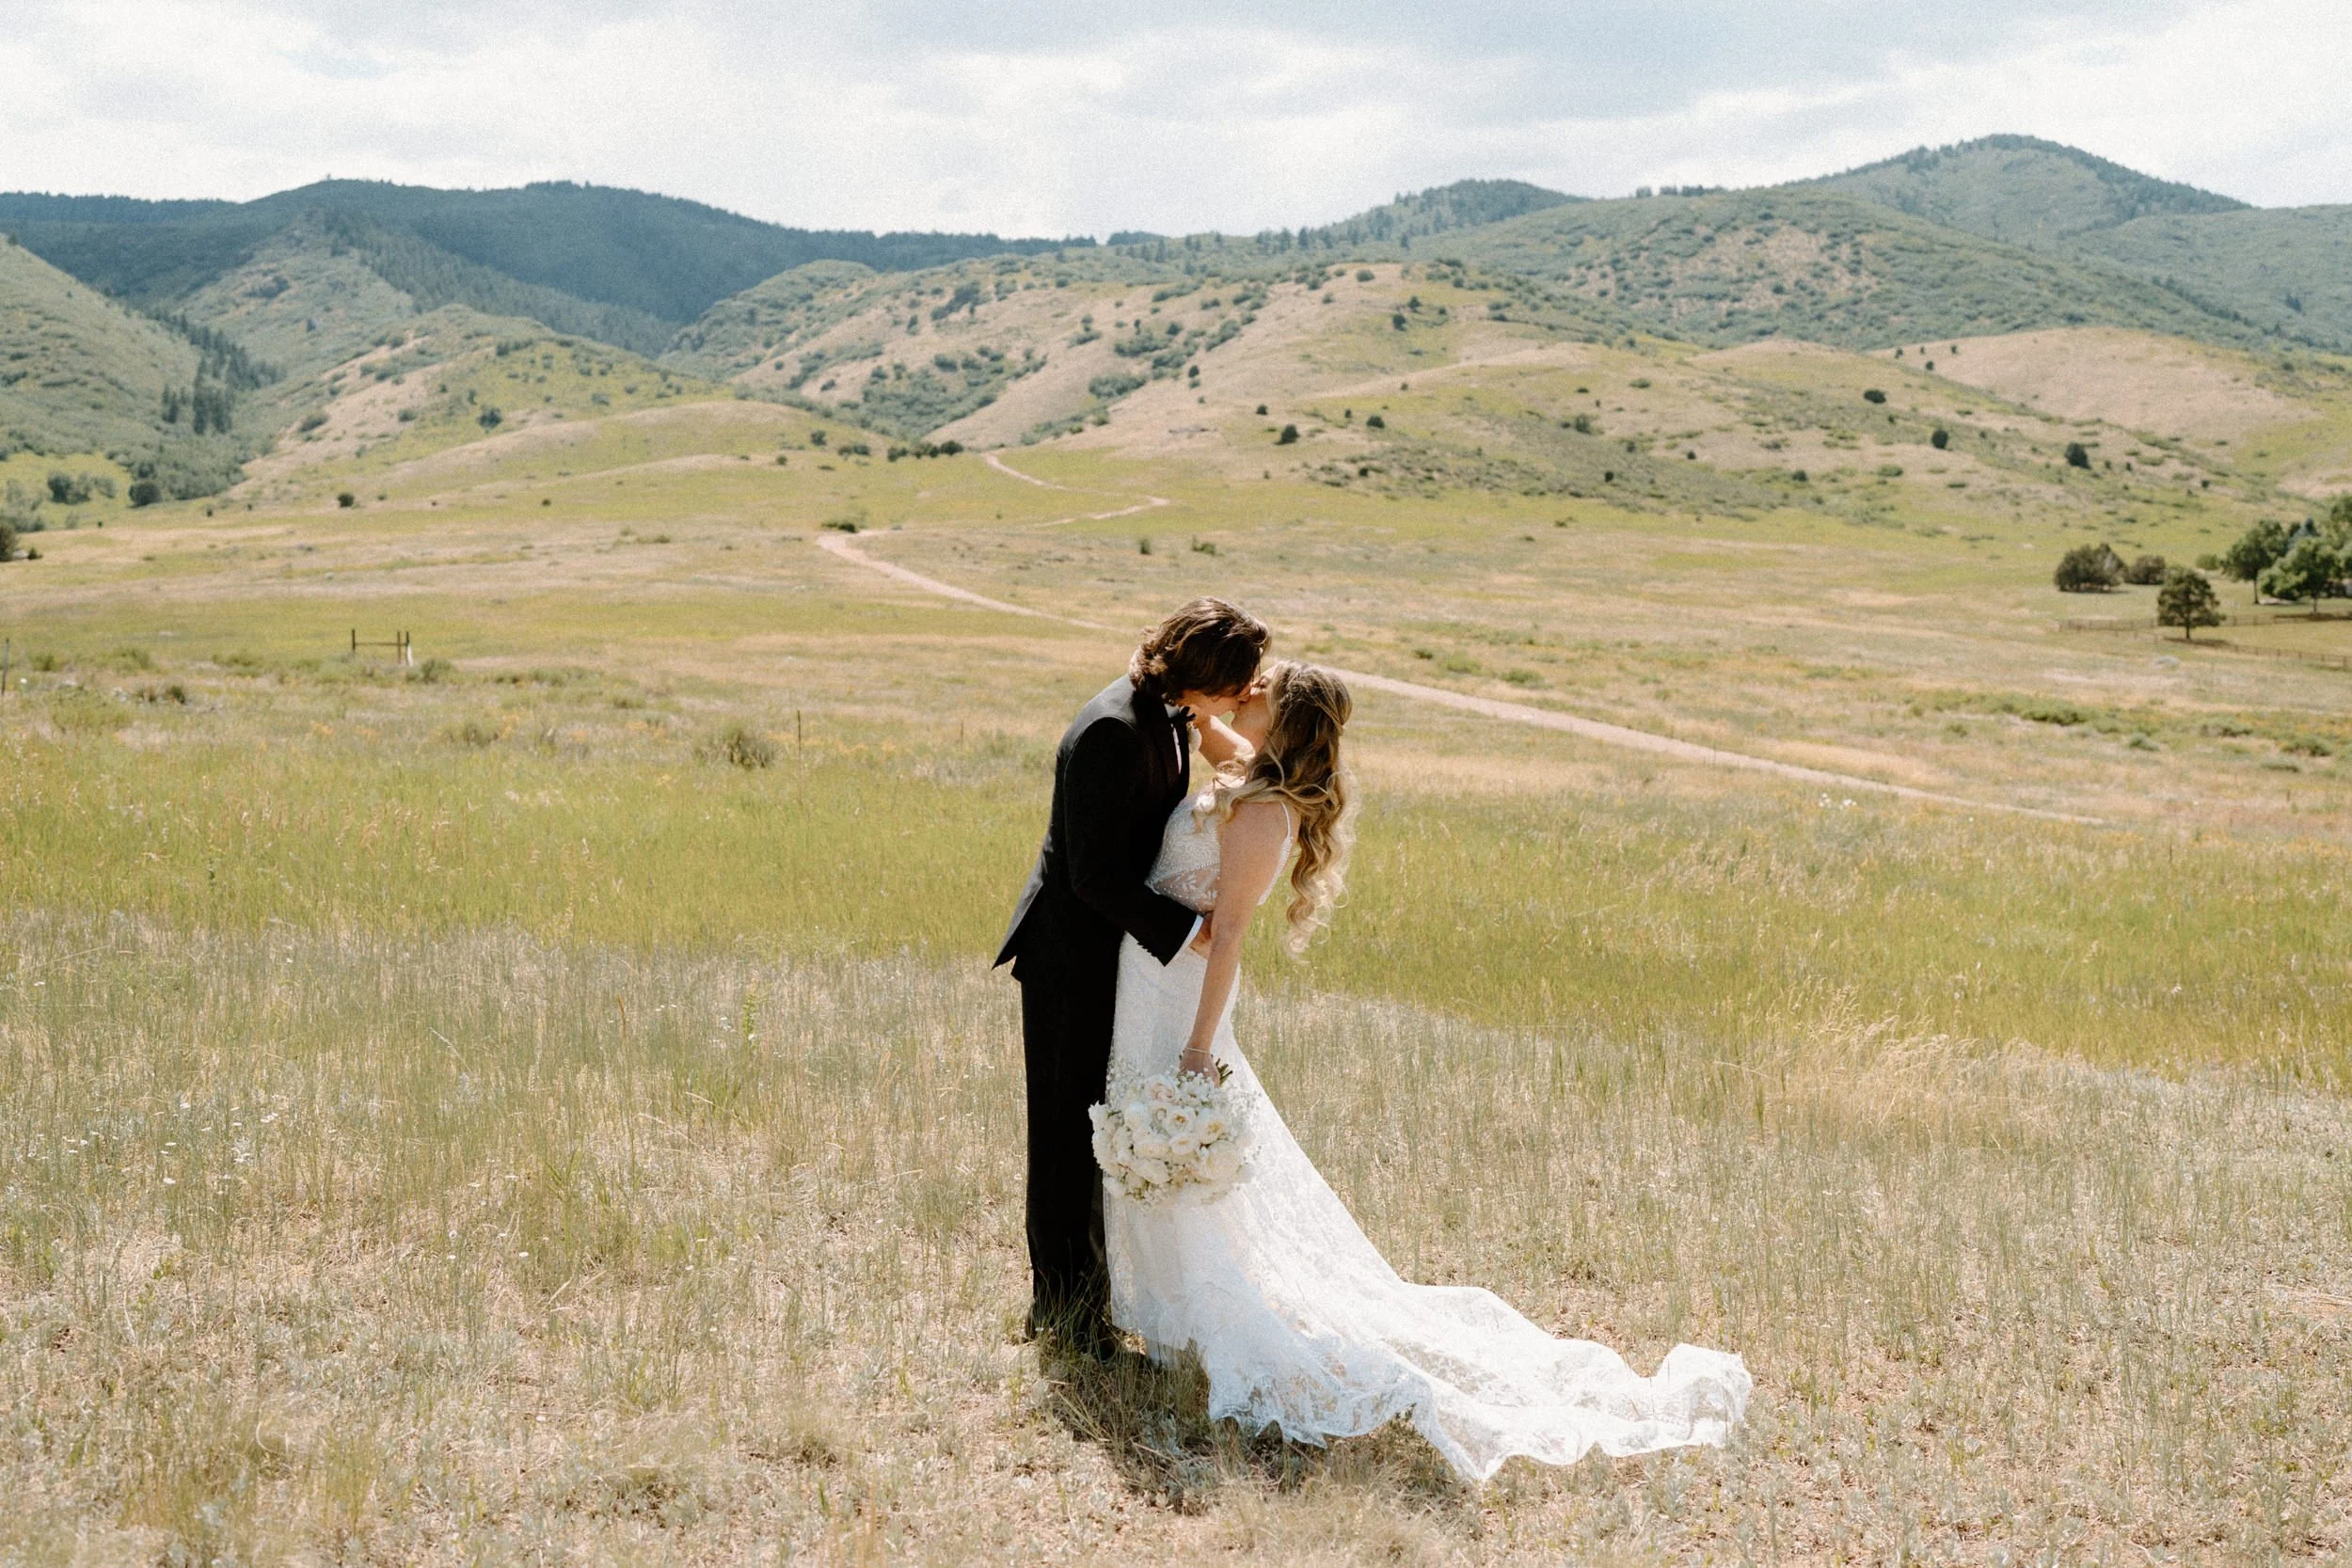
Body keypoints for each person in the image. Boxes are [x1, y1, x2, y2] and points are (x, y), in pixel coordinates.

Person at [1101, 659, 1753, 1482]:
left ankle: (1208, 1320)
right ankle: (1170, 1311)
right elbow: (1211, 728)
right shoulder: (1250, 771)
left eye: (1260, 681)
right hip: (1148, 983)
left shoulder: (1264, 812)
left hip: (1180, 1000)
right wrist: (1178, 688)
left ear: (1280, 711)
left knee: (1183, 1153)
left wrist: (1198, 1052)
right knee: (1159, 1148)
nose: (1248, 684)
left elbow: (1229, 937)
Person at [996, 597, 1270, 1355]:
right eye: (1238, 681)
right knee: (1061, 1139)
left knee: (1096, 1130)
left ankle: (1098, 1300)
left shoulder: (1173, 712)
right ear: (1203, 673)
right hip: (1067, 956)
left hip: (1113, 958)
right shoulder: (1113, 729)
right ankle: (1063, 1317)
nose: (1245, 695)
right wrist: (1190, 931)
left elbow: (1237, 754)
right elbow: (1090, 875)